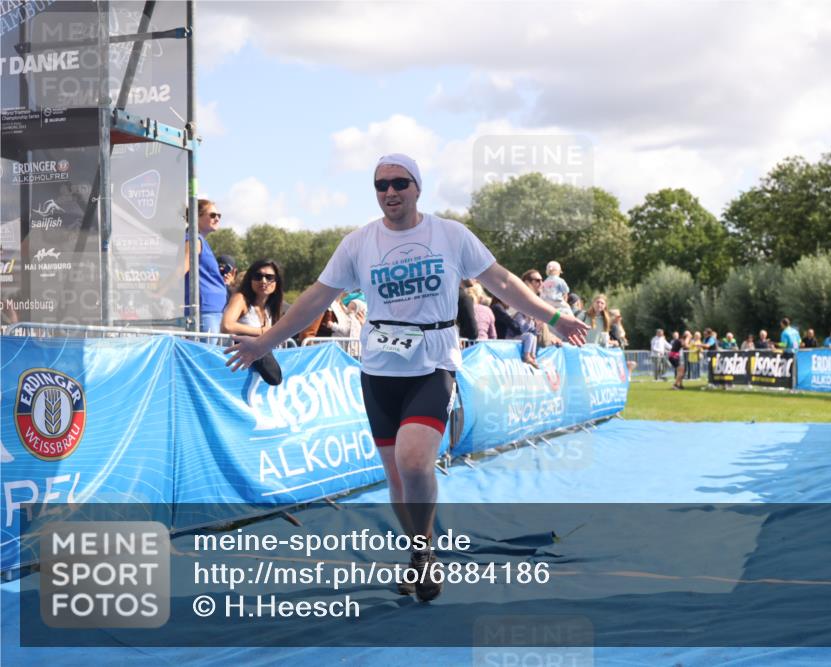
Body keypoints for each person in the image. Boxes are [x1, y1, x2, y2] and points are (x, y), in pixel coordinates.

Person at [226, 155, 587, 603]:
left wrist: (553, 316)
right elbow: (317, 298)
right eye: (381, 186)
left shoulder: (450, 235)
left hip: (433, 363)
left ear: (418, 187)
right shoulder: (359, 243)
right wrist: (265, 342)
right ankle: (420, 549)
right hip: (379, 369)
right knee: (397, 478)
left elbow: (503, 283)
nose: (390, 192)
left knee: (416, 462)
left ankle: (425, 552)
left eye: (399, 183)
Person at [185, 199, 229, 333]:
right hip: (205, 311)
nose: (217, 219)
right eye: (212, 215)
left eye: (218, 216)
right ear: (195, 216)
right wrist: (160, 291)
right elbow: (183, 267)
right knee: (206, 353)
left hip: (215, 310)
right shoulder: (193, 239)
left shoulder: (200, 240)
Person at [221, 259, 284, 336]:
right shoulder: (240, 299)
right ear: (250, 279)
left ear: (277, 281)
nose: (263, 281)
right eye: (258, 276)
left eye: (269, 277)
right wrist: (261, 332)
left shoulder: (271, 307)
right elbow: (227, 326)